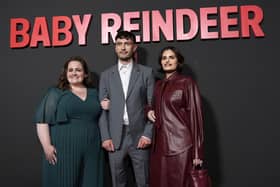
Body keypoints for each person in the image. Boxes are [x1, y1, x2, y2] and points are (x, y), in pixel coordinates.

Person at [35, 56, 103, 187]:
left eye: (78, 70)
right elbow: (42, 121)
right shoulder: (55, 93)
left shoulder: (95, 93)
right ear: (65, 73)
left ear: (85, 73)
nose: (74, 73)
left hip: (93, 148)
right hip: (64, 147)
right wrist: (47, 146)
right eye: (70, 70)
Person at [98, 30, 154, 187]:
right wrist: (105, 137)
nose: (123, 47)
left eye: (127, 44)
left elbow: (153, 107)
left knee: (144, 182)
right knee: (118, 183)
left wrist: (148, 134)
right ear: (115, 47)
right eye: (119, 44)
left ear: (134, 47)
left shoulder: (146, 73)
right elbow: (102, 111)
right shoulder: (106, 75)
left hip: (139, 136)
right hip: (115, 137)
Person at [147, 46, 204, 187]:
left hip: (181, 146)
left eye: (171, 57)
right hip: (159, 147)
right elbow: (152, 105)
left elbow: (196, 118)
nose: (167, 61)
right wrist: (148, 110)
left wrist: (198, 153)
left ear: (178, 61)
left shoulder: (187, 83)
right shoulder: (158, 85)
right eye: (164, 58)